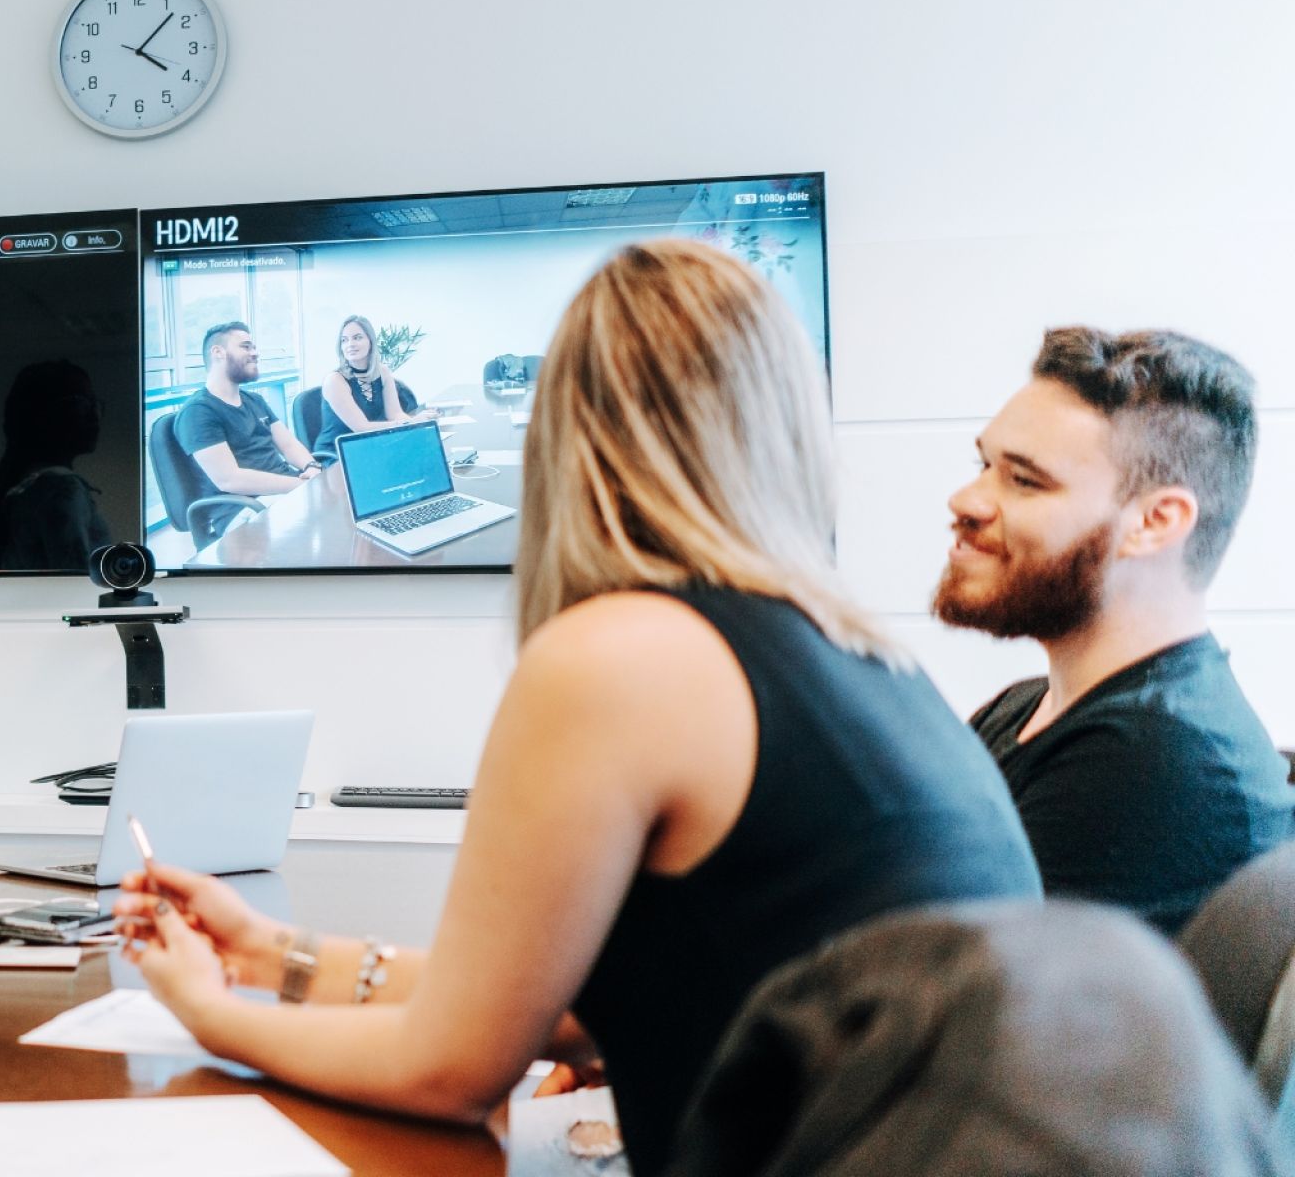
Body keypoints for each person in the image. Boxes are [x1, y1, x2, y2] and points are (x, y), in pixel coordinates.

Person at [114, 240, 1041, 1173]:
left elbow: (449, 1068)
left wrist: (207, 1012)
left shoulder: (621, 657)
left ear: (568, 429)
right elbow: (551, 1008)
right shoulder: (855, 651)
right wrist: (274, 954)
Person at [934, 327, 1292, 933]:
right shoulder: (1025, 708)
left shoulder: (1154, 768)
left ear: (1155, 522)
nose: (965, 500)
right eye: (983, 465)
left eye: (1024, 480)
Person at [0, 359, 113, 572]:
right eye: (80, 403)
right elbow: (78, 585)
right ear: (41, 413)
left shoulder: (28, 486)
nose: (94, 416)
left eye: (95, 404)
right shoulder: (62, 490)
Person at [174, 322, 320, 499]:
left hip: (283, 491)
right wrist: (302, 485)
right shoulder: (197, 412)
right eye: (246, 347)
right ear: (218, 352)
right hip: (244, 504)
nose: (255, 353)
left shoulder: (254, 400)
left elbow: (288, 445)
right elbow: (229, 479)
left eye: (254, 348)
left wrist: (311, 467)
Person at [314, 314, 433, 458]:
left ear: (370, 341)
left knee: (424, 453)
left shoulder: (382, 371)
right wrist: (411, 423)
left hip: (369, 445)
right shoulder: (335, 381)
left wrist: (416, 423)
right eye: (344, 340)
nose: (350, 344)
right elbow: (361, 427)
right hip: (338, 454)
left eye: (357, 337)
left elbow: (395, 414)